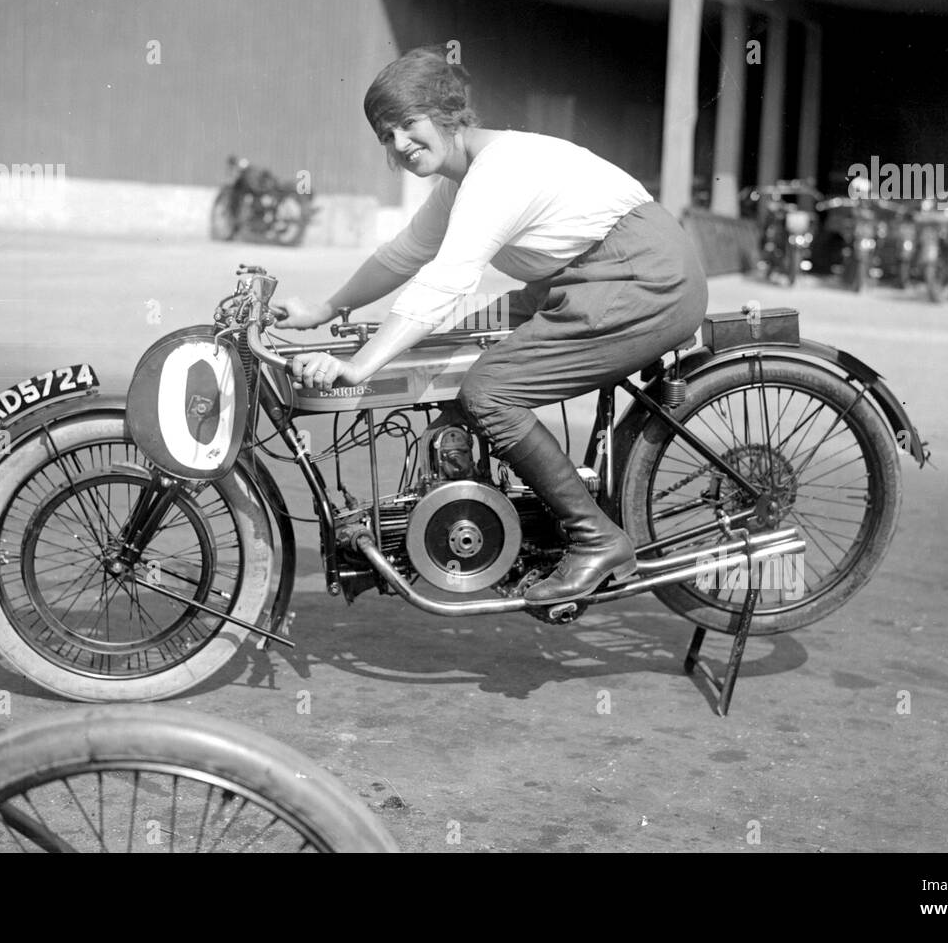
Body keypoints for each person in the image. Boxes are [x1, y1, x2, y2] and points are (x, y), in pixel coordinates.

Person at [273, 47, 709, 605]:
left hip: (642, 277)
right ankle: (468, 507)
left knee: (489, 393)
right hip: (578, 280)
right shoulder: (460, 184)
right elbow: (401, 256)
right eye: (387, 135)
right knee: (445, 352)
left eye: (409, 123)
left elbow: (448, 279)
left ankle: (594, 538)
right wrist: (325, 310)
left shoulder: (499, 171)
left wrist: (357, 367)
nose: (400, 144)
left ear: (448, 114)